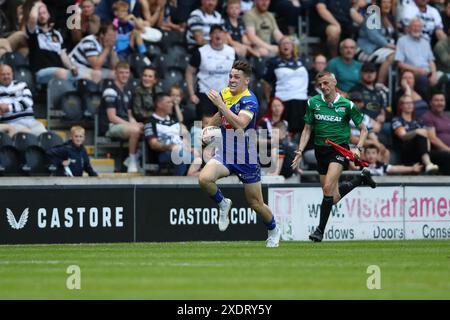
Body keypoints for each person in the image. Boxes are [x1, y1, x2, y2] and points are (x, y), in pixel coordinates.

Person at [198, 60, 281, 248]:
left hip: (246, 156)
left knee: (256, 204)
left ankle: (274, 230)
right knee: (204, 179)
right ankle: (223, 203)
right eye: (230, 76)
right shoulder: (225, 94)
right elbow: (220, 115)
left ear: (246, 81)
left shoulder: (249, 100)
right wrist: (208, 128)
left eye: (237, 77)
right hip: (225, 152)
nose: (232, 80)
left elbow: (240, 124)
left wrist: (221, 105)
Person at [291, 71, 377, 242]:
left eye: (326, 83)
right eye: (320, 84)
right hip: (320, 151)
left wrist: (358, 148)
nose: (323, 87)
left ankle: (319, 231)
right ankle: (360, 180)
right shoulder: (313, 103)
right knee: (333, 196)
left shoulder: (347, 105)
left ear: (334, 82)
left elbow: (364, 129)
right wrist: (299, 151)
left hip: (338, 150)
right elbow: (307, 129)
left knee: (327, 188)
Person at [98, 61, 143, 173]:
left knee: (147, 129)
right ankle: (132, 161)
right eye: (121, 73)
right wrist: (131, 125)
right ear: (116, 74)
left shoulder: (127, 91)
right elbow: (112, 117)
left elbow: (129, 114)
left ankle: (133, 158)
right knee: (135, 131)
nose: (124, 75)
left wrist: (135, 122)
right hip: (111, 126)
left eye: (126, 73)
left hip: (124, 125)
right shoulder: (110, 91)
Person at [185, 24, 236, 119]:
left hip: (225, 95)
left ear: (224, 35)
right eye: (215, 32)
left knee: (225, 125)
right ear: (210, 36)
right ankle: (196, 134)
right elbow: (189, 72)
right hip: (205, 93)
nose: (218, 35)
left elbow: (238, 74)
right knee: (200, 124)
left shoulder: (231, 51)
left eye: (220, 32)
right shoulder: (200, 52)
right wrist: (191, 94)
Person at [262, 36, 309, 136]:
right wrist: (268, 99)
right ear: (279, 47)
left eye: (288, 43)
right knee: (285, 131)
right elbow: (265, 82)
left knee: (303, 130)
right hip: (283, 100)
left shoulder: (302, 60)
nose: (285, 45)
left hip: (302, 100)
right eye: (283, 43)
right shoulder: (273, 62)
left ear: (293, 46)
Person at [144, 92, 190, 176]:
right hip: (164, 153)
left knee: (201, 155)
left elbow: (185, 138)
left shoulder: (174, 121)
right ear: (159, 104)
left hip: (182, 150)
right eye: (168, 102)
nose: (172, 105)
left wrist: (190, 148)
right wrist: (170, 147)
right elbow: (153, 144)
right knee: (179, 155)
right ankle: (179, 185)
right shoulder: (150, 122)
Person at [391, 94, 440, 173]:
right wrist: (416, 132)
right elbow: (403, 136)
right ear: (400, 106)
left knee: (445, 155)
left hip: (422, 151)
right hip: (405, 152)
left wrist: (427, 151)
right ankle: (428, 164)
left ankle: (430, 165)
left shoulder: (418, 121)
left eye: (411, 103)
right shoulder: (397, 120)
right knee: (419, 135)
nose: (409, 105)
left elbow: (426, 137)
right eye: (406, 103)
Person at [0, 64, 47, 136]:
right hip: (12, 123)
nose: (6, 76)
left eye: (8, 74)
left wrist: (9, 107)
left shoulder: (22, 85)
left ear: (12, 74)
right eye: (3, 74)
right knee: (28, 135)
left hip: (31, 121)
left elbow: (28, 102)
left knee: (43, 135)